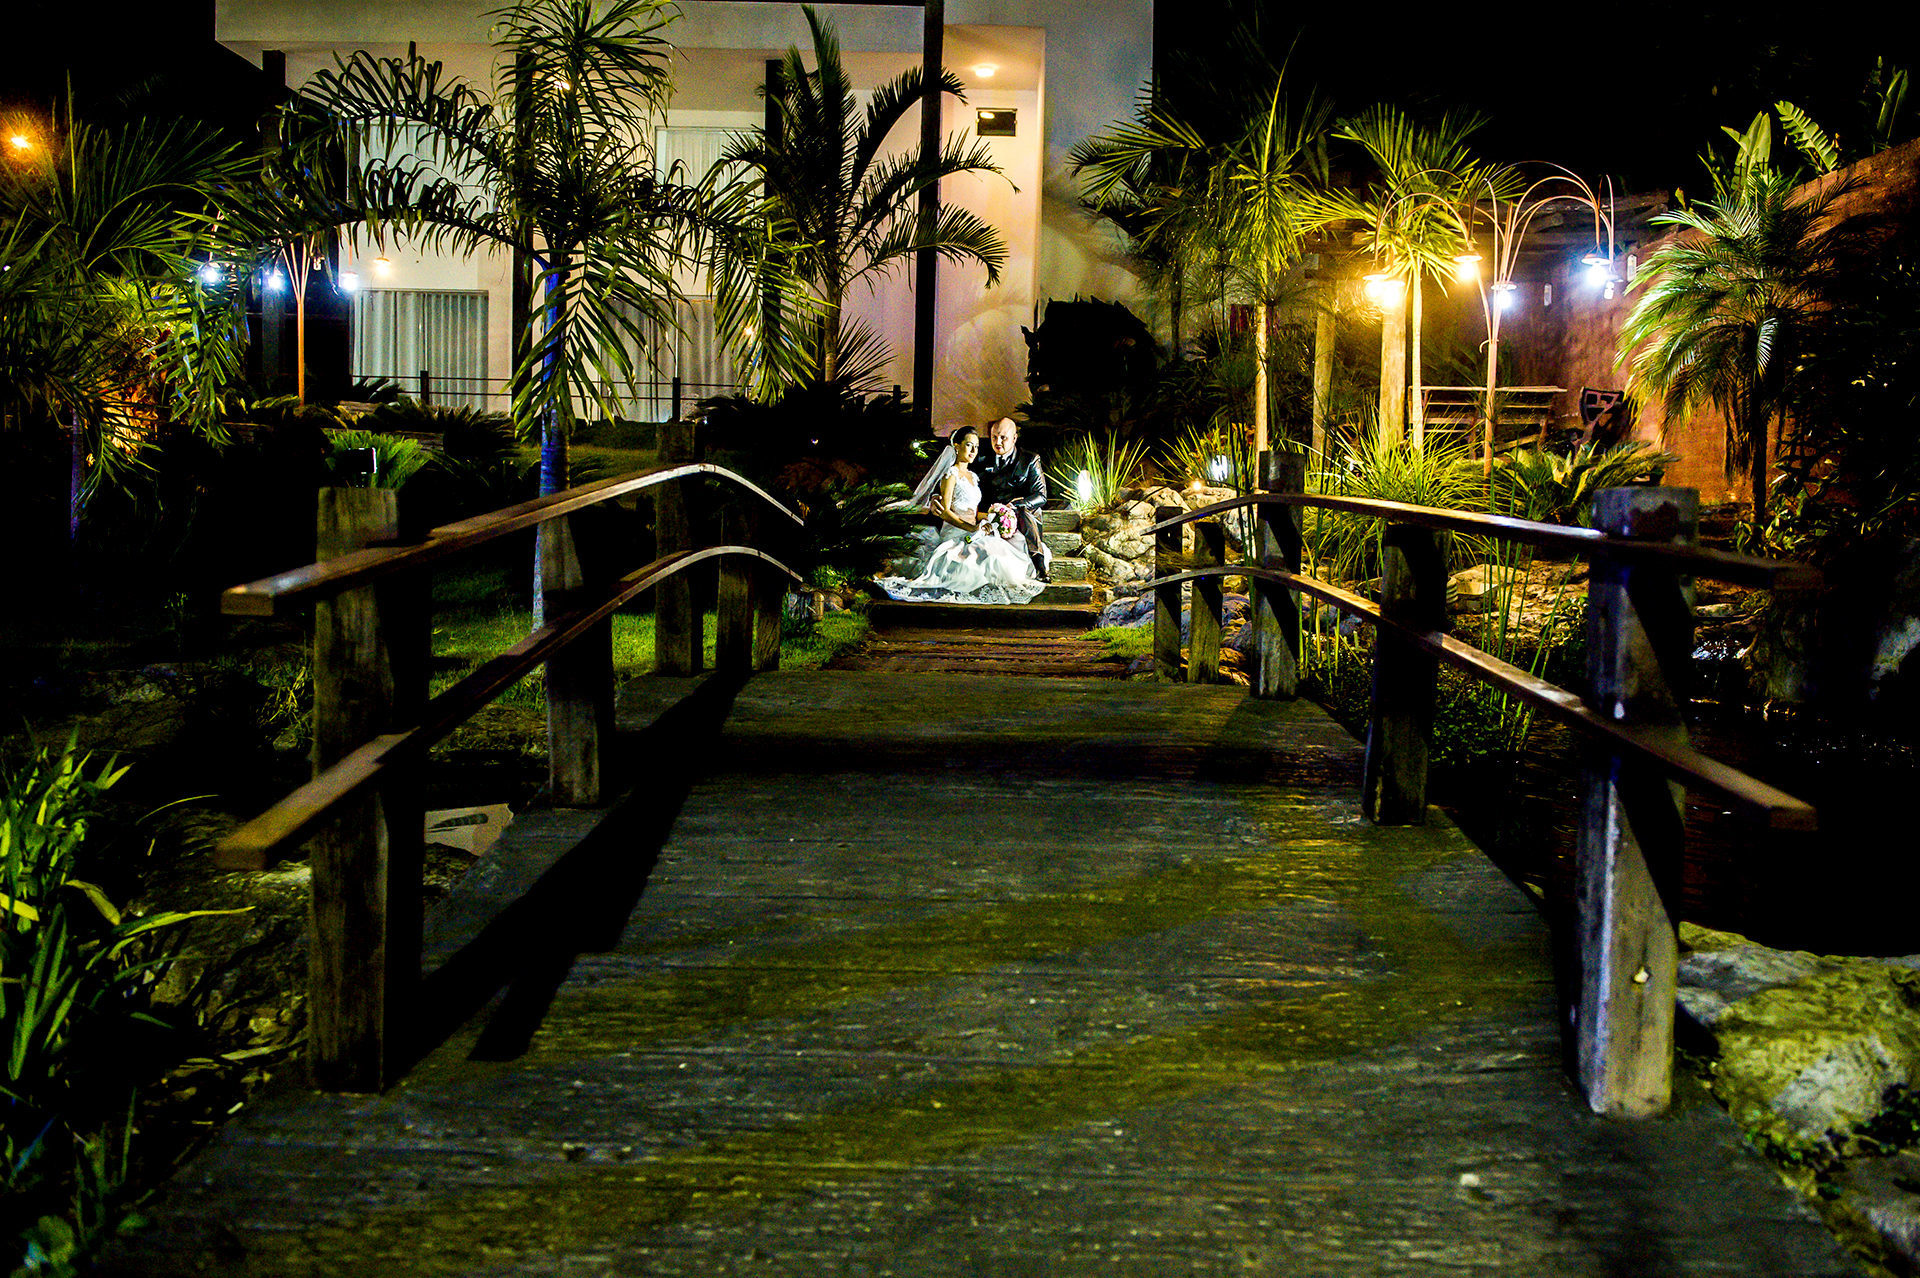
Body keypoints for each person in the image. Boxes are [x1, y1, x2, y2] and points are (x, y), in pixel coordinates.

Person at [874, 426, 1046, 605]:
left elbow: (973, 511)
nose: (973, 451)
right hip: (957, 533)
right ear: (957, 446)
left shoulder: (973, 476)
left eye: (976, 447)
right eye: (969, 445)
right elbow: (945, 512)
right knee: (986, 558)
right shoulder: (951, 474)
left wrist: (994, 517)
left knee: (1002, 555)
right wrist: (971, 528)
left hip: (975, 530)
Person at [973, 416, 1051, 582]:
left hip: (1021, 517)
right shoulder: (981, 459)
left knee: (1025, 512)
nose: (998, 442)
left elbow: (1041, 495)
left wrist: (1016, 505)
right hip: (991, 516)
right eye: (994, 437)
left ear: (1014, 438)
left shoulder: (1029, 459)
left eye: (1003, 437)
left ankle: (1039, 563)